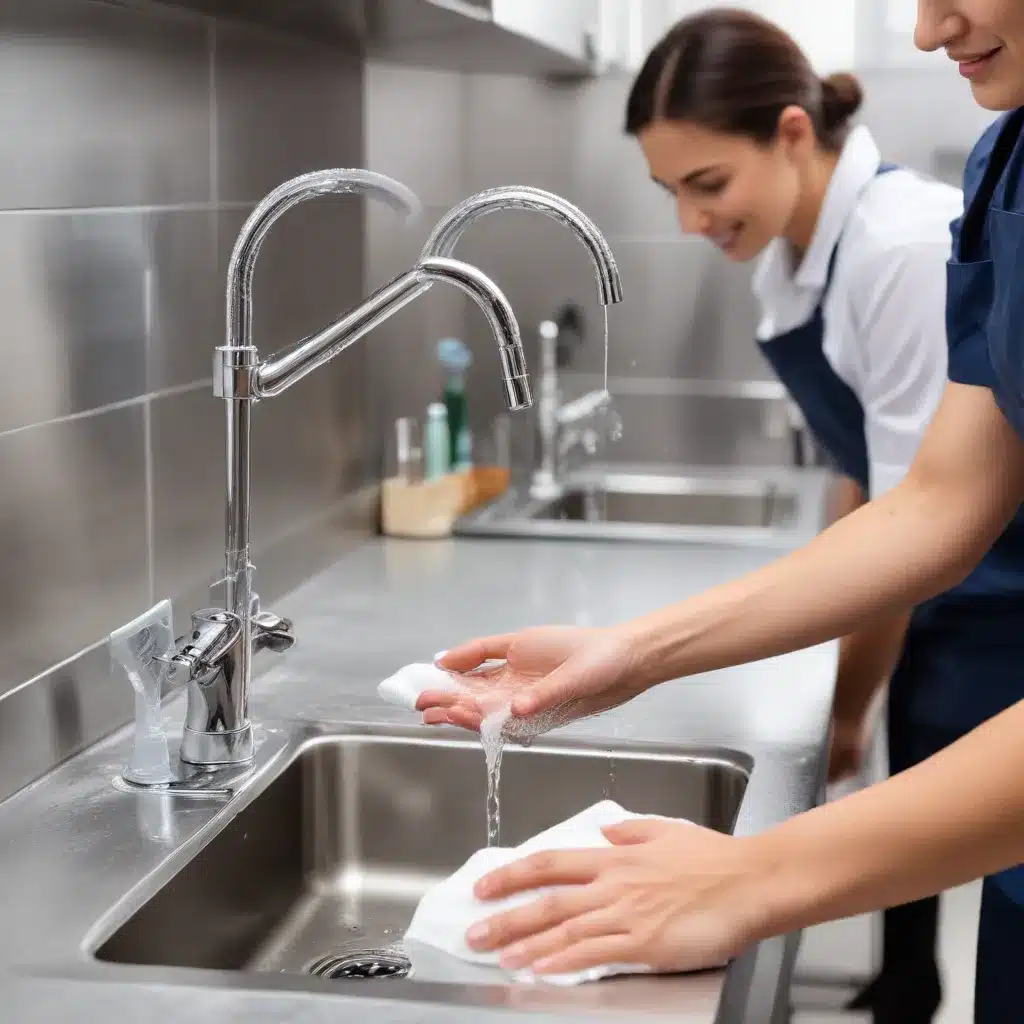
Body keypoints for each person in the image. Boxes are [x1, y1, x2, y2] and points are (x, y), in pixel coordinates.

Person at [418, 2, 1024, 1021]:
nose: (925, 31)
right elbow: (933, 501)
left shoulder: (901, 237)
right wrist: (627, 652)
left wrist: (756, 875)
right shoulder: (1005, 166)